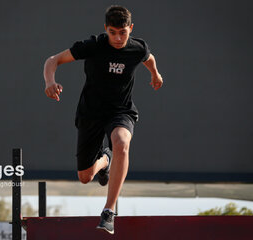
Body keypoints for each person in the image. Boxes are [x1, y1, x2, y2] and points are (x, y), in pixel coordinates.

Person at [43, 5, 163, 234]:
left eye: (123, 33)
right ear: (105, 29)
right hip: (90, 114)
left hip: (121, 111)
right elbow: (53, 60)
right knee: (85, 177)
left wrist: (155, 74)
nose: (118, 38)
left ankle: (108, 211)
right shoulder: (93, 46)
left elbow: (149, 58)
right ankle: (105, 160)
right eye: (112, 32)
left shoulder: (138, 48)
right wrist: (50, 81)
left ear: (131, 29)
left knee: (121, 142)